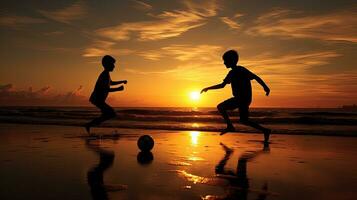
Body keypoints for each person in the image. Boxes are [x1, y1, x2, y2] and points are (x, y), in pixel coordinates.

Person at [201, 50, 271, 142]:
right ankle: (265, 131)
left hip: (241, 99)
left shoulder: (241, 70)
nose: (224, 63)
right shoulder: (231, 73)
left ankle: (230, 126)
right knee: (244, 120)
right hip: (244, 99)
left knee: (221, 107)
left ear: (232, 61)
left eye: (225, 61)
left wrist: (265, 87)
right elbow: (222, 85)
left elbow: (255, 77)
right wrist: (208, 88)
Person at [85, 55, 127, 134]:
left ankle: (93, 123)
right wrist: (118, 89)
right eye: (112, 64)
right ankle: (90, 124)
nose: (114, 66)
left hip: (98, 99)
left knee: (109, 113)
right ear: (107, 65)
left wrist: (122, 81)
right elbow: (106, 89)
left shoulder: (106, 74)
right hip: (97, 99)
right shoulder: (104, 75)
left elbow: (111, 83)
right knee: (111, 113)